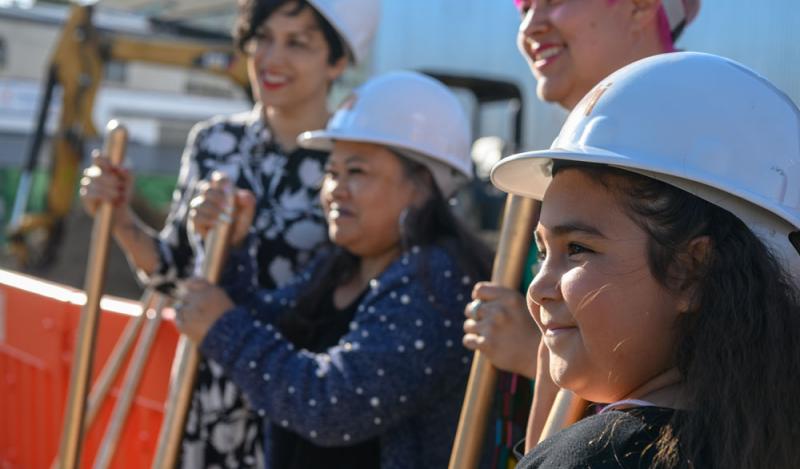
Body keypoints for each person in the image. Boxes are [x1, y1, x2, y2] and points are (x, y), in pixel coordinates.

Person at [78, 0, 380, 465]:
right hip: (205, 394)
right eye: (263, 38)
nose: (271, 58)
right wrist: (117, 217)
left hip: (297, 398)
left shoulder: (352, 162)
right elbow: (173, 273)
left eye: (297, 42)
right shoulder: (214, 142)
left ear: (337, 61)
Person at [491, 52, 800, 468]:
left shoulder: (603, 457)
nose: (538, 289)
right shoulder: (762, 435)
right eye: (543, 253)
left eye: (577, 249)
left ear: (690, 271)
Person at [172, 71, 494, 468]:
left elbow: (332, 404)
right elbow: (267, 328)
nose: (334, 189)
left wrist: (222, 326)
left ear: (423, 185)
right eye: (331, 172)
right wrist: (233, 251)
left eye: (356, 172)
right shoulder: (341, 264)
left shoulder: (437, 280)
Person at [461, 0, 701, 458]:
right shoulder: (544, 170)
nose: (530, 26)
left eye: (553, 1)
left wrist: (540, 348)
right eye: (523, 7)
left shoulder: (709, 154)